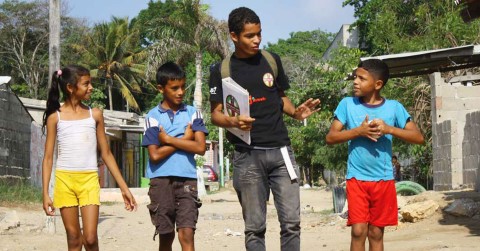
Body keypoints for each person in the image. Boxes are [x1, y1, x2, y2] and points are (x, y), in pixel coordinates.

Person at [208, 7, 320, 251]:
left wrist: (295, 112)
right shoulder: (221, 70)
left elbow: (281, 97)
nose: (257, 40)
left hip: (282, 153)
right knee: (254, 228)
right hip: (247, 155)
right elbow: (215, 114)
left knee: (291, 223)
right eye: (250, 36)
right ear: (234, 36)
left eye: (259, 34)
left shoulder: (271, 60)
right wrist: (233, 122)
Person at [325, 59, 424, 251]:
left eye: (361, 78)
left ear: (378, 84)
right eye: (355, 77)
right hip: (356, 179)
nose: (355, 81)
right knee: (358, 231)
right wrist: (358, 132)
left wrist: (389, 129)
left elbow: (418, 137)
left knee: (376, 233)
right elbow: (331, 137)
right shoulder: (347, 104)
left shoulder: (394, 107)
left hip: (384, 180)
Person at [41, 65, 137, 251]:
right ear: (70, 87)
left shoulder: (95, 115)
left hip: (89, 181)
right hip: (65, 181)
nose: (91, 87)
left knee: (91, 238)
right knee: (74, 239)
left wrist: (124, 188)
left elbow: (106, 153)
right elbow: (47, 158)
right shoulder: (55, 117)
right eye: (86, 84)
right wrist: (45, 193)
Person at [143, 62, 208, 251]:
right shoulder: (153, 116)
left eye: (182, 87)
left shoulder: (193, 113)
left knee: (187, 233)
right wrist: (185, 139)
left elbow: (200, 147)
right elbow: (154, 155)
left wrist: (168, 139)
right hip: (161, 181)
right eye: (174, 88)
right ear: (160, 88)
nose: (180, 92)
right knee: (166, 235)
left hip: (187, 180)